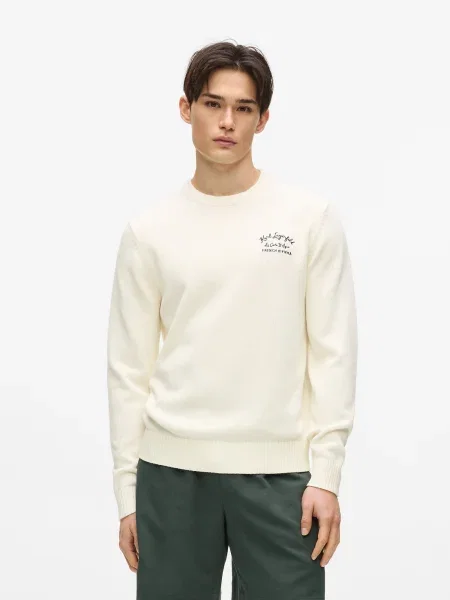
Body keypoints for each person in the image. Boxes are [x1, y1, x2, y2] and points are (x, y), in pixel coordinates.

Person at [106, 39, 358, 600]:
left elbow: (334, 355)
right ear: (186, 108)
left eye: (244, 108)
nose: (227, 122)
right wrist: (128, 495)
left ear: (262, 119)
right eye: (212, 104)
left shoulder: (308, 219)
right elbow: (128, 372)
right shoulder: (149, 231)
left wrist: (326, 475)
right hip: (170, 476)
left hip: (282, 481)